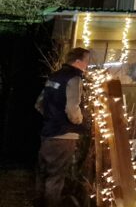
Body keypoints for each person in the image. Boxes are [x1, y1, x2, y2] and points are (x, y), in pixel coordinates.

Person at [34, 47, 90, 206]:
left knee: (43, 173)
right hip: (64, 135)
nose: (87, 64)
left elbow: (39, 104)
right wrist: (80, 120)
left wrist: (51, 118)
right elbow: (72, 110)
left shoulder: (54, 76)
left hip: (48, 133)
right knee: (56, 176)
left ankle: (39, 203)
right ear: (78, 61)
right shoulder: (74, 78)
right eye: (86, 61)